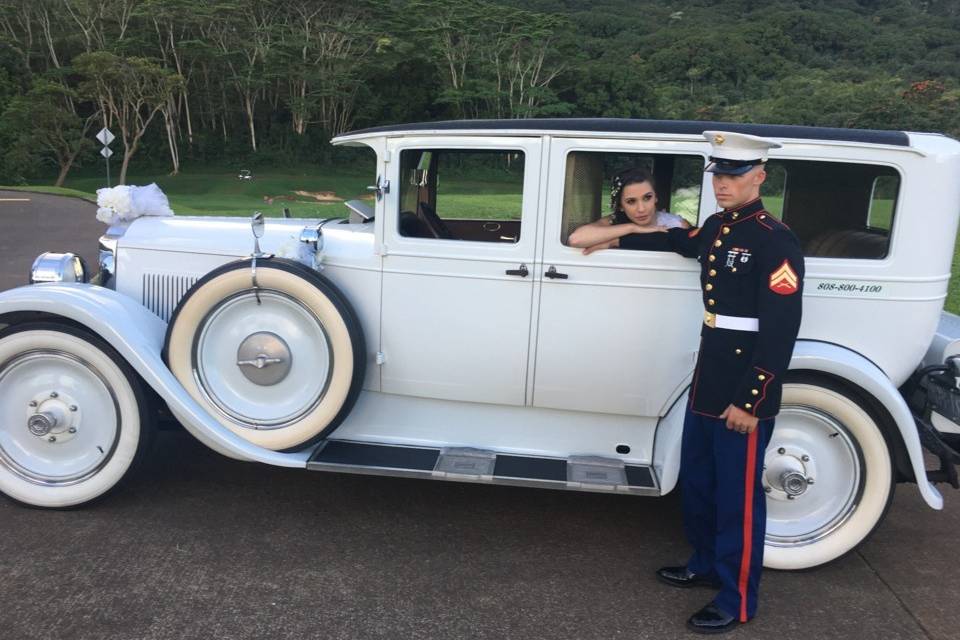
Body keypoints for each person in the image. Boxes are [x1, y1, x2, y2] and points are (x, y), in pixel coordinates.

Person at [617, 131, 805, 634]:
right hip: (710, 374)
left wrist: (751, 399)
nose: (722, 184)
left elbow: (781, 329)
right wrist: (621, 230)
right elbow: (679, 239)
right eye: (718, 175)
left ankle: (738, 598)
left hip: (743, 384)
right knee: (699, 480)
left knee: (738, 497)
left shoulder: (774, 238)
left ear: (759, 177)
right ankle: (703, 563)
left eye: (734, 175)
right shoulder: (720, 226)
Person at [568, 167, 688, 254]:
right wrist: (632, 228)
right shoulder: (614, 221)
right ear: (621, 206)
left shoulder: (677, 224)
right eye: (631, 201)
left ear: (656, 197)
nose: (641, 209)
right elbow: (576, 239)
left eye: (647, 198)